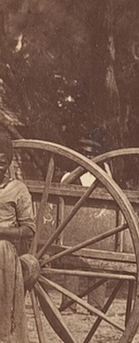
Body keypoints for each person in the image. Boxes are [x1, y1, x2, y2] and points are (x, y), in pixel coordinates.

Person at [0, 133, 34, 343]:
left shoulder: (18, 189)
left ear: (8, 162)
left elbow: (29, 229)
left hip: (4, 252)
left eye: (2, 162)